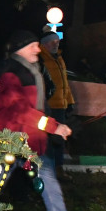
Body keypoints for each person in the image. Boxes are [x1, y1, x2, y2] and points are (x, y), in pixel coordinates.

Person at [0, 30, 100, 211]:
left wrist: (54, 128)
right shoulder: (9, 73)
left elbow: (40, 107)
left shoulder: (33, 71)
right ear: (20, 49)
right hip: (10, 143)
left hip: (33, 144)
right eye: (32, 45)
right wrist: (53, 127)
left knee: (52, 190)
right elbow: (19, 110)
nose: (37, 49)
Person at [38, 30, 75, 166]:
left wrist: (69, 102)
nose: (56, 44)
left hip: (60, 106)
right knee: (47, 139)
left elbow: (64, 84)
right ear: (44, 44)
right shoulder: (41, 59)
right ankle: (47, 168)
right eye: (52, 42)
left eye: (57, 41)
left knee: (59, 139)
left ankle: (58, 168)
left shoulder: (59, 59)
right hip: (48, 106)